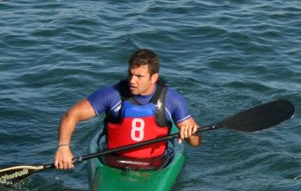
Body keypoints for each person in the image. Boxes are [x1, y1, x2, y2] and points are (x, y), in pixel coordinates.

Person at [53, 49, 200, 170]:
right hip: (113, 161)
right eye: (130, 74)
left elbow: (196, 142)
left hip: (155, 163)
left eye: (139, 76)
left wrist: (189, 135)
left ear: (154, 78)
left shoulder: (171, 99)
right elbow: (71, 115)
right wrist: (63, 147)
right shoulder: (112, 95)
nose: (132, 81)